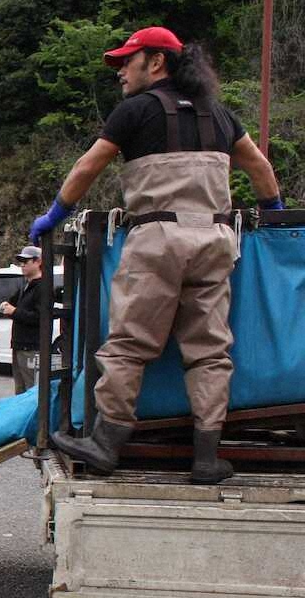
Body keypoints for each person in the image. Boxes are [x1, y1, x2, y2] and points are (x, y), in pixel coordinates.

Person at [30, 26, 283, 485]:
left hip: (158, 241)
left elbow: (89, 165)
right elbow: (261, 169)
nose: (121, 71)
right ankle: (206, 457)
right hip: (215, 240)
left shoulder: (135, 112)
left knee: (130, 344)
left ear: (156, 62)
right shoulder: (220, 115)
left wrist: (55, 213)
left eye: (128, 61)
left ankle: (106, 443)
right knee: (209, 352)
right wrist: (275, 212)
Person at [0, 245, 44, 394]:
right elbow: (14, 307)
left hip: (31, 348)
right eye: (21, 262)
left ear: (38, 262)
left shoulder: (42, 287)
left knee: (32, 391)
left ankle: (36, 418)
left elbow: (40, 317)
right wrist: (7, 306)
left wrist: (14, 311)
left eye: (26, 261)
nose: (22, 265)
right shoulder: (25, 285)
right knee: (20, 390)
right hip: (18, 346)